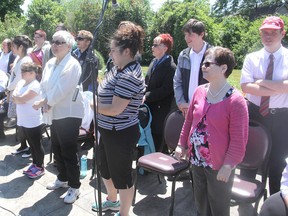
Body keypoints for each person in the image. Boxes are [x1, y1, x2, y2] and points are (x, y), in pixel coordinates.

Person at [175, 46, 249, 216]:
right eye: (203, 63)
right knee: (200, 203)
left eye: (208, 63)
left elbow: (239, 139)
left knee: (219, 207)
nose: (203, 66)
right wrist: (181, 144)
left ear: (224, 68)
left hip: (219, 165)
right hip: (196, 160)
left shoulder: (236, 101)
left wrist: (229, 165)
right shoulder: (199, 91)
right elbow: (189, 121)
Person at [91, 23, 145, 216]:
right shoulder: (116, 68)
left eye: (113, 50)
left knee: (121, 176)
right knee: (104, 168)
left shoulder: (129, 75)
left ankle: (124, 212)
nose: (110, 53)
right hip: (107, 129)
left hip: (120, 133)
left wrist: (93, 105)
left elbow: (115, 109)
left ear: (127, 51)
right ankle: (112, 201)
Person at [33, 30, 84, 204]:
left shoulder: (72, 64)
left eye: (59, 42)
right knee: (56, 147)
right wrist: (44, 100)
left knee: (68, 150)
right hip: (52, 112)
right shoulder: (50, 63)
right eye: (53, 41)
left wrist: (45, 102)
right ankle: (62, 178)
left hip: (68, 114)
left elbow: (62, 89)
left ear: (69, 46)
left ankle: (75, 186)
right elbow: (43, 85)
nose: (54, 45)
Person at [240, 16, 288, 195]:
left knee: (278, 162)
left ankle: (275, 201)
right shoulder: (252, 58)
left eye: (273, 32)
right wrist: (280, 87)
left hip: (283, 117)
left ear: (282, 33)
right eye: (264, 32)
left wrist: (260, 82)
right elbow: (245, 86)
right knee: (250, 158)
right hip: (255, 113)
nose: (268, 36)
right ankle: (246, 197)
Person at [173, 18, 212, 118]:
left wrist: (203, 106)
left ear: (201, 34)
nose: (187, 38)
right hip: (186, 109)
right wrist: (181, 103)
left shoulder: (213, 55)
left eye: (191, 35)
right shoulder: (183, 55)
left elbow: (217, 84)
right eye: (186, 34)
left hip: (207, 110)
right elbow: (177, 81)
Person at [144, 33, 176, 151]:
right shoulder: (153, 62)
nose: (152, 47)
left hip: (160, 110)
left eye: (155, 45)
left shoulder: (171, 67)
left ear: (165, 48)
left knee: (157, 138)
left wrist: (146, 96)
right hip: (149, 107)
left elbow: (166, 90)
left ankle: (156, 164)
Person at [12, 62, 44, 178]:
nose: (21, 74)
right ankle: (34, 164)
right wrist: (17, 98)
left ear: (32, 73)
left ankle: (40, 167)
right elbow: (14, 96)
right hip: (23, 119)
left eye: (23, 72)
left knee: (36, 144)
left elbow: (21, 99)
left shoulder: (35, 85)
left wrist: (17, 98)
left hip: (33, 121)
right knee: (31, 144)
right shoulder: (21, 82)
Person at [7, 35, 33, 156]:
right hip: (15, 93)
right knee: (20, 121)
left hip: (23, 95)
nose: (11, 48)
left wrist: (8, 89)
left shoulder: (26, 60)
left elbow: (18, 79)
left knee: (24, 121)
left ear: (21, 47)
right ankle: (23, 145)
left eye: (13, 46)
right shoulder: (19, 58)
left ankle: (29, 147)